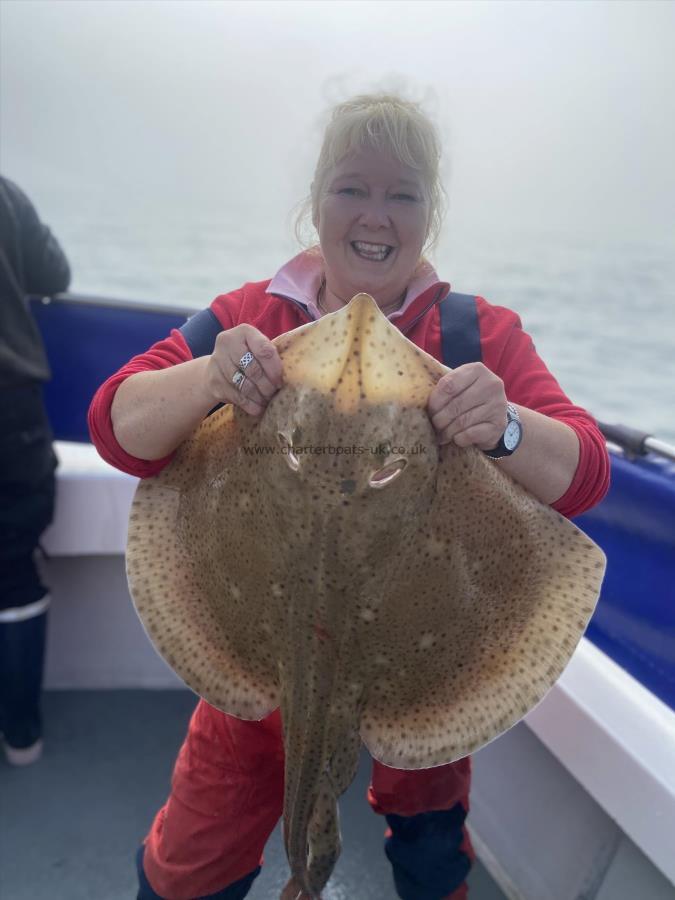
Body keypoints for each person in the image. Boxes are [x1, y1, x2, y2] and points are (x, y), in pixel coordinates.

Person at [88, 94, 610, 900]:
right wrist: (208, 379)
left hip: (417, 655)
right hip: (257, 653)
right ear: (315, 202)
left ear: (429, 215)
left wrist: (503, 426)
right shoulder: (248, 317)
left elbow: (584, 475)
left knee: (430, 856)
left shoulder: (476, 335)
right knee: (185, 869)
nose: (376, 214)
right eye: (350, 187)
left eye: (402, 193)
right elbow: (116, 425)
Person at [0, 176, 71, 766]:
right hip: (11, 408)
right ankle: (22, 736)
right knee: (14, 571)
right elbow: (55, 275)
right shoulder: (6, 194)